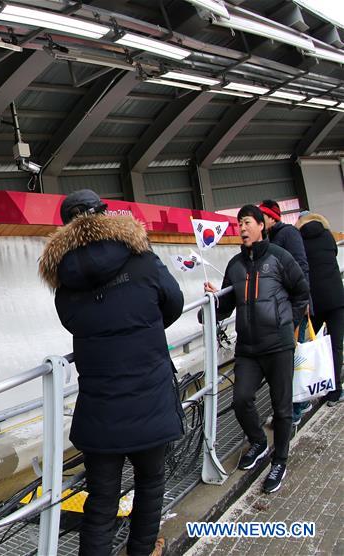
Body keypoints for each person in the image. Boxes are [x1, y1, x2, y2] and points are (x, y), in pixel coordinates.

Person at [39, 189, 184, 556]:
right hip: (150, 394)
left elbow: (73, 323)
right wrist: (146, 326)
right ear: (105, 214)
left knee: (101, 498)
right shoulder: (142, 257)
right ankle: (142, 549)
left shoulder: (64, 280)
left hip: (100, 407)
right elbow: (174, 303)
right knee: (151, 483)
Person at [204, 205, 310, 494]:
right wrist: (211, 303)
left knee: (282, 407)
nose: (242, 228)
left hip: (278, 345)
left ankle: (280, 460)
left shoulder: (280, 258)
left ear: (261, 225)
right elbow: (225, 306)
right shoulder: (235, 265)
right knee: (240, 400)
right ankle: (259, 443)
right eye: (238, 224)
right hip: (248, 349)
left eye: (247, 222)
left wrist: (288, 325)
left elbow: (302, 293)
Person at [258, 200, 313, 425]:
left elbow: (302, 265)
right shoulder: (268, 239)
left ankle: (295, 410)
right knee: (286, 361)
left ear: (272, 217)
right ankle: (297, 404)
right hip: (278, 310)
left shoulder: (288, 234)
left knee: (293, 360)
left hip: (293, 306)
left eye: (263, 216)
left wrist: (304, 300)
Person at [296, 211, 343, 405]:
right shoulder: (327, 236)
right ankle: (335, 392)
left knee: (309, 346)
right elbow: (334, 253)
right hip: (336, 298)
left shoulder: (298, 241)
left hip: (313, 303)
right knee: (335, 346)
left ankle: (312, 388)